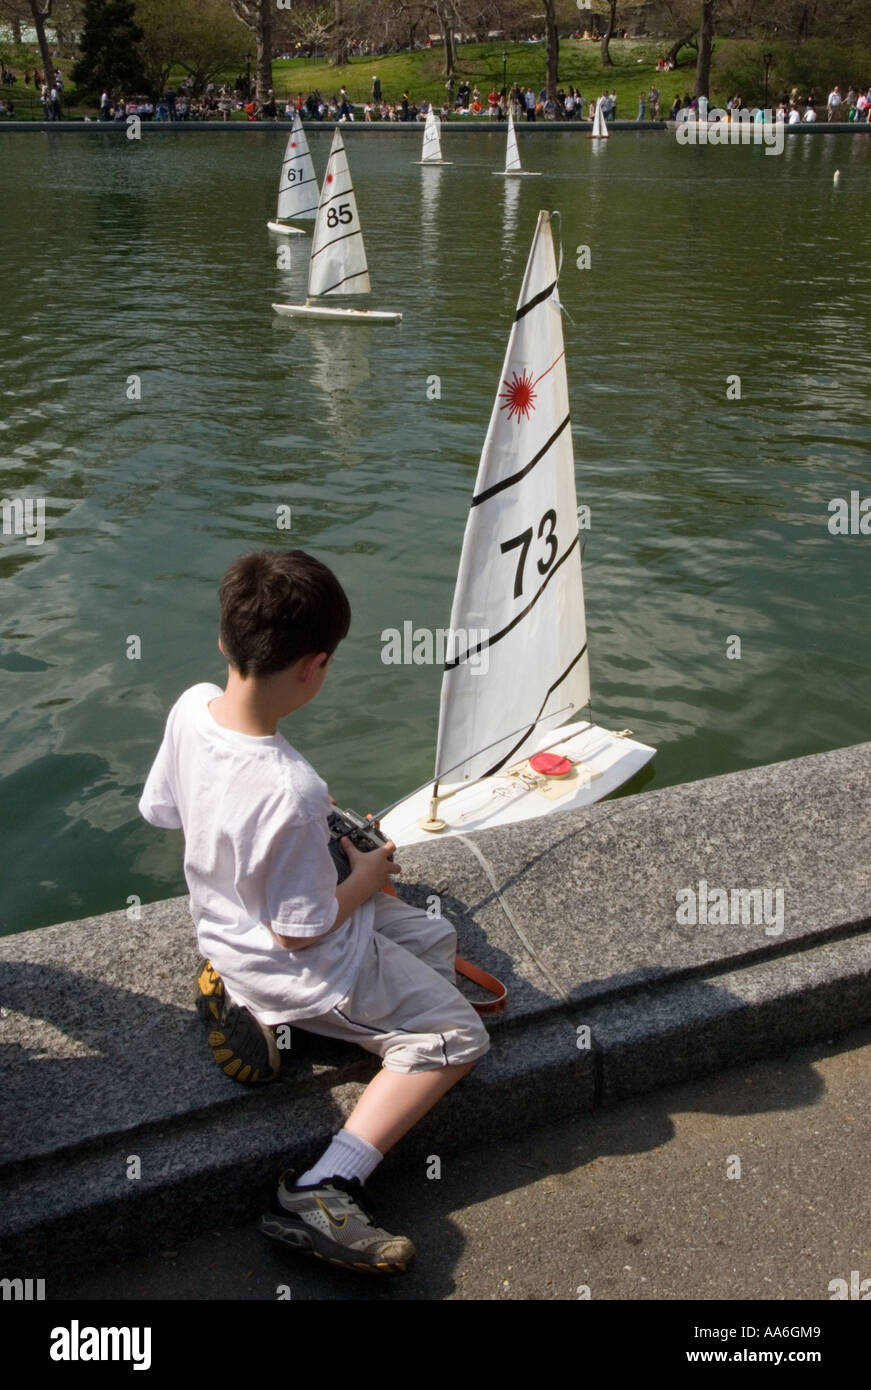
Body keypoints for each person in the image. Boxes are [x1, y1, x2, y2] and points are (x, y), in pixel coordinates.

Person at [139, 549, 490, 1274]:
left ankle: (252, 1005)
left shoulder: (189, 708)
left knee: (433, 938)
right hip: (298, 962)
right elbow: (302, 926)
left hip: (226, 923)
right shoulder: (292, 786)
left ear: (224, 640)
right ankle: (325, 1187)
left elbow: (166, 809)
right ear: (314, 666)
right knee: (455, 1034)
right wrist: (365, 874)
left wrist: (325, 848)